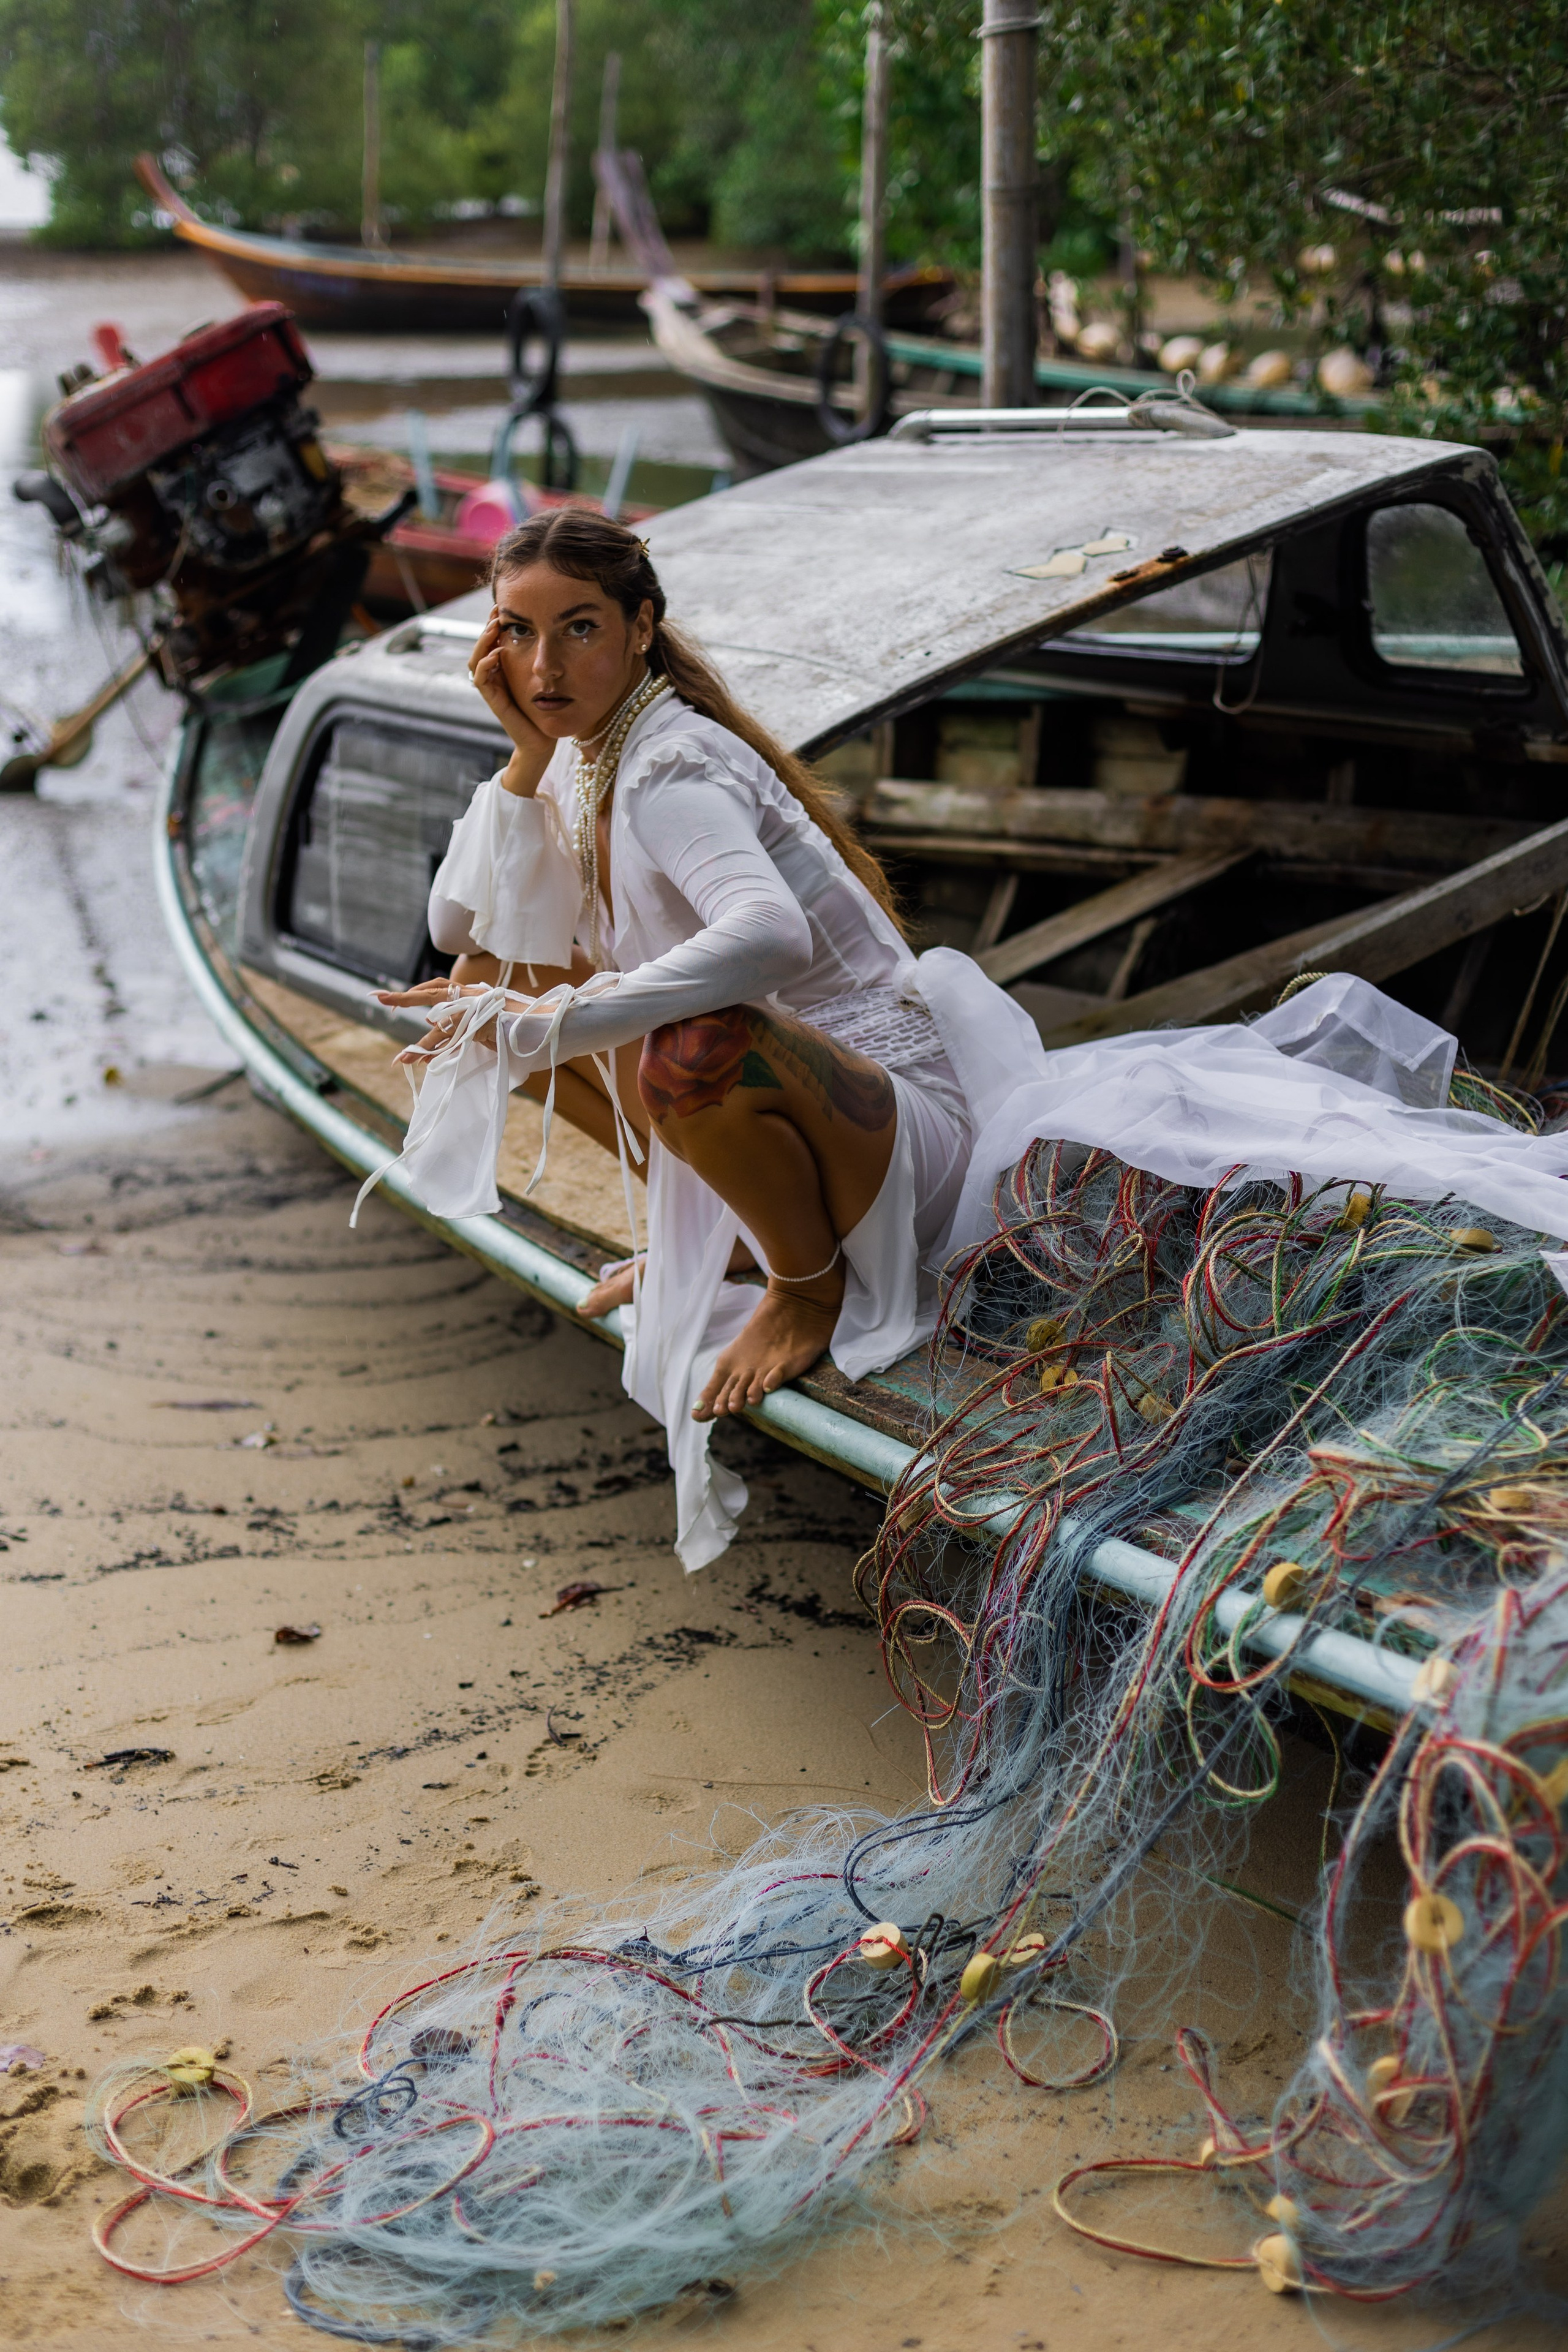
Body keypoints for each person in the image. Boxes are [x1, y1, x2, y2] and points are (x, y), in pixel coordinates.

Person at [372, 508, 1016, 1570]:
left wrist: (565, 1020)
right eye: (517, 633)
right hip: (817, 1121)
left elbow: (771, 935)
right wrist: (525, 757)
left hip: (908, 1145)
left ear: (640, 626)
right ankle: (732, 1238)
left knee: (690, 1044)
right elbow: (456, 933)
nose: (544, 665)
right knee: (482, 992)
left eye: (578, 629)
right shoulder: (587, 755)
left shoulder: (669, 766)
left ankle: (807, 1284)